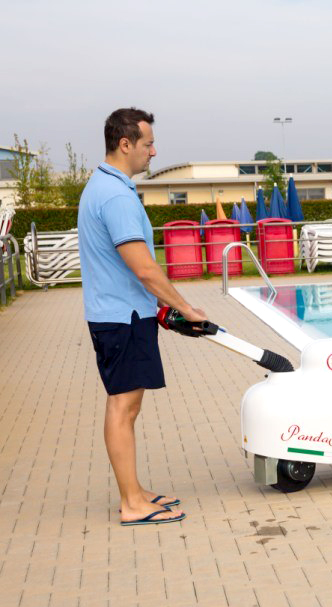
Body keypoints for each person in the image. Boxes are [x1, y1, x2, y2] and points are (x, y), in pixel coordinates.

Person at [78, 107, 206, 526]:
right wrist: (185, 307)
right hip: (122, 317)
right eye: (148, 144)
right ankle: (132, 504)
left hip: (121, 313)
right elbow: (144, 268)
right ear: (125, 143)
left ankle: (134, 492)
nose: (154, 151)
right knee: (123, 406)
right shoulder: (116, 196)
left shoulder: (104, 186)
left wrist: (161, 309)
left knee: (126, 406)